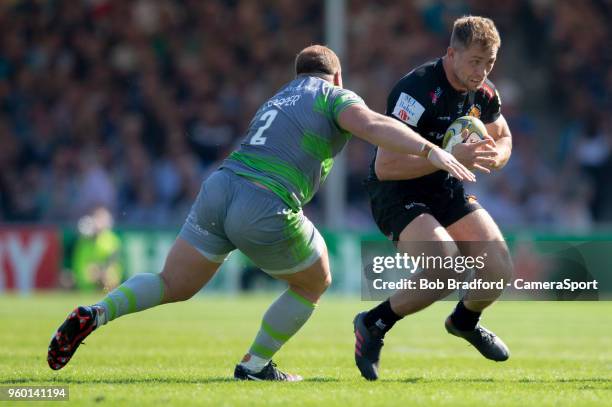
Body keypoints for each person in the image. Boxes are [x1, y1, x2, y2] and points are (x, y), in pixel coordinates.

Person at [47, 44, 474, 381]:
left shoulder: (278, 97)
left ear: (297, 74)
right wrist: (427, 147)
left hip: (220, 187)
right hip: (264, 199)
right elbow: (372, 124)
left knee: (171, 282)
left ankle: (97, 313)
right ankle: (255, 365)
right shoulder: (332, 95)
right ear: (337, 75)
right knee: (316, 280)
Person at [354, 16, 514, 380]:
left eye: (489, 62)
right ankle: (373, 323)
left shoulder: (484, 92)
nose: (482, 71)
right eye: (475, 61)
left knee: (498, 268)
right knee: (444, 267)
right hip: (397, 192)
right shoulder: (417, 91)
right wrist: (452, 158)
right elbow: (386, 165)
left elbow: (502, 135)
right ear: (451, 54)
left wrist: (498, 156)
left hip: (444, 187)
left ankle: (464, 321)